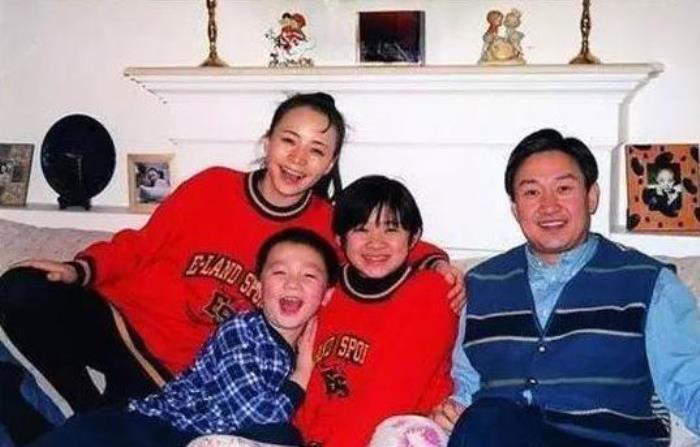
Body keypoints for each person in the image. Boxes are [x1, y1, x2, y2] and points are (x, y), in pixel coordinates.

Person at [0, 92, 462, 444]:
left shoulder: (326, 225)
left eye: (316, 150)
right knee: (19, 288)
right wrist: (79, 270)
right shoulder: (212, 187)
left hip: (181, 375)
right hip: (122, 324)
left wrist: (438, 262)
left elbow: (378, 246)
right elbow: (140, 245)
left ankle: (54, 415)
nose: (298, 159)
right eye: (289, 141)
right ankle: (79, 403)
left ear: (329, 164)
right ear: (267, 142)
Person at [431, 128, 700, 446]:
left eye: (563, 188)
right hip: (503, 434)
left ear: (591, 196)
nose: (549, 206)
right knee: (485, 418)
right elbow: (465, 385)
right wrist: (451, 410)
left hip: (609, 442)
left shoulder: (650, 283)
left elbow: (690, 385)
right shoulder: (479, 285)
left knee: (489, 418)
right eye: (532, 192)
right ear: (515, 208)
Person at [27, 227, 339, 447]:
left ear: (326, 295)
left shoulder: (308, 347)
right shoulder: (242, 331)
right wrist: (300, 378)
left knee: (284, 437)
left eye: (309, 275)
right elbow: (251, 413)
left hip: (190, 438)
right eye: (279, 272)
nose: (293, 284)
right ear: (258, 288)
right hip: (151, 428)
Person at [294, 175, 458, 447]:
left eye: (391, 230)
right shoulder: (326, 290)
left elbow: (394, 394)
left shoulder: (431, 291)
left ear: (413, 237)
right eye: (361, 229)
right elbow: (311, 387)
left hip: (397, 432)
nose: (376, 243)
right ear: (339, 239)